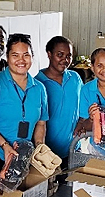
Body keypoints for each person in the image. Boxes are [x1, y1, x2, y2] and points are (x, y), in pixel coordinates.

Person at [0, 33, 48, 170]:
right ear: (7, 57)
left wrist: (40, 147)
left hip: (24, 158)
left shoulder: (39, 88)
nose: (21, 60)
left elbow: (41, 123)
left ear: (32, 57)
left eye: (26, 55)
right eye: (15, 55)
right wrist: (4, 145)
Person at [35, 36, 82, 164]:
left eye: (69, 56)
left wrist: (83, 121)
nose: (65, 60)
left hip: (74, 149)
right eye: (60, 55)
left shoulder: (75, 78)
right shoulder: (37, 84)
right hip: (48, 155)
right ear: (49, 54)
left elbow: (83, 105)